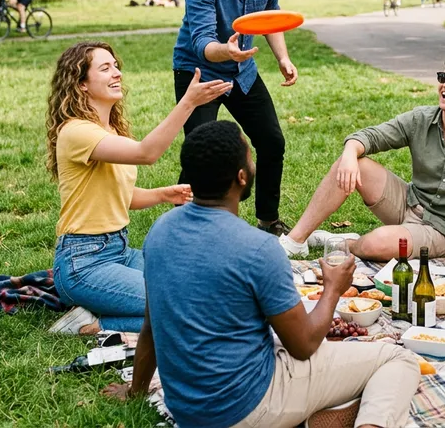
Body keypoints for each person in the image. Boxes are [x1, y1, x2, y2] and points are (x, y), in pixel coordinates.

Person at [104, 121, 420, 428]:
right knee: (397, 359)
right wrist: (333, 290)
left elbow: (152, 326)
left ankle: (324, 416)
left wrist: (136, 391)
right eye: (250, 156)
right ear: (242, 177)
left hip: (187, 408)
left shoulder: (160, 232)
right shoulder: (259, 249)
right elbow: (304, 346)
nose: (253, 163)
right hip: (248, 407)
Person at [46, 42, 231, 335]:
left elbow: (118, 196)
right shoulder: (76, 132)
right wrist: (188, 103)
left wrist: (161, 194)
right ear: (81, 84)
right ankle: (91, 325)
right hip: (84, 263)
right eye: (105, 68)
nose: (116, 73)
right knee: (177, 307)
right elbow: (147, 153)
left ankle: (105, 307)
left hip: (119, 251)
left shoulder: (110, 132)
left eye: (115, 66)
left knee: (197, 291)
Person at [280, 52, 445, 261]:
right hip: (410, 203)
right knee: (352, 162)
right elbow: (370, 136)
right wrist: (349, 153)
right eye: (442, 77)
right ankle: (295, 241)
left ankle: (343, 243)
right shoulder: (421, 119)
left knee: (376, 244)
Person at [173, 0, 299, 237]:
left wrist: (282, 58)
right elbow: (202, 41)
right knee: (201, 154)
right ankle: (186, 227)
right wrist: (226, 52)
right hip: (199, 70)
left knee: (272, 142)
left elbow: (270, 18)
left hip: (242, 70)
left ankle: (268, 222)